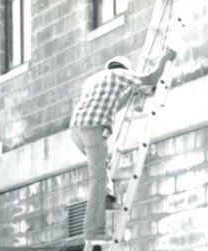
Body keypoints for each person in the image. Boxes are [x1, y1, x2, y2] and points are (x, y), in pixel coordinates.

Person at [70, 48, 177, 240]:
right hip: (93, 128)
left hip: (76, 130)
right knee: (98, 178)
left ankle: (106, 198)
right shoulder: (119, 74)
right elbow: (150, 78)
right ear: (123, 69)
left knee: (101, 167)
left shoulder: (93, 80)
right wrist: (165, 59)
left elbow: (115, 105)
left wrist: (131, 92)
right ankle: (94, 231)